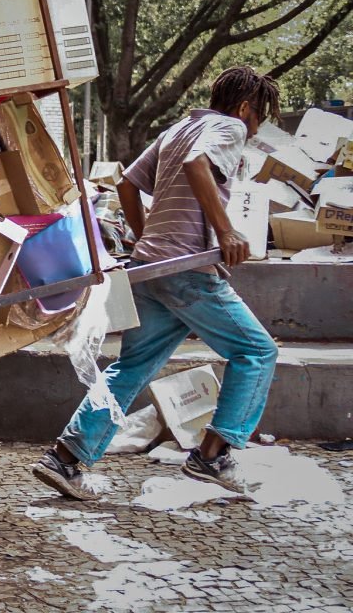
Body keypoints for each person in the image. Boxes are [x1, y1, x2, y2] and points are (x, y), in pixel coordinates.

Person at [31, 66, 281, 501]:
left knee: (130, 368)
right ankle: (212, 455)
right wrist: (225, 231)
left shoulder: (181, 127)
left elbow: (127, 183)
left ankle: (65, 459)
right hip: (186, 270)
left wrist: (146, 236)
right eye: (258, 118)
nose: (255, 128)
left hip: (151, 268)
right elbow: (197, 164)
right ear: (245, 108)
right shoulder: (228, 126)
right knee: (257, 351)